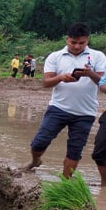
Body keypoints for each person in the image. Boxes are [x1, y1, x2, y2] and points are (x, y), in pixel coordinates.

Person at [22, 22, 106, 179]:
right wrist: (61, 77)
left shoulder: (98, 56)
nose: (77, 46)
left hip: (85, 112)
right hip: (58, 108)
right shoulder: (55, 56)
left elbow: (102, 84)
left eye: (81, 43)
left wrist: (90, 74)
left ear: (87, 40)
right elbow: (46, 83)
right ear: (67, 39)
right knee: (39, 142)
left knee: (75, 150)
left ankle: (65, 183)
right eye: (73, 42)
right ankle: (35, 161)